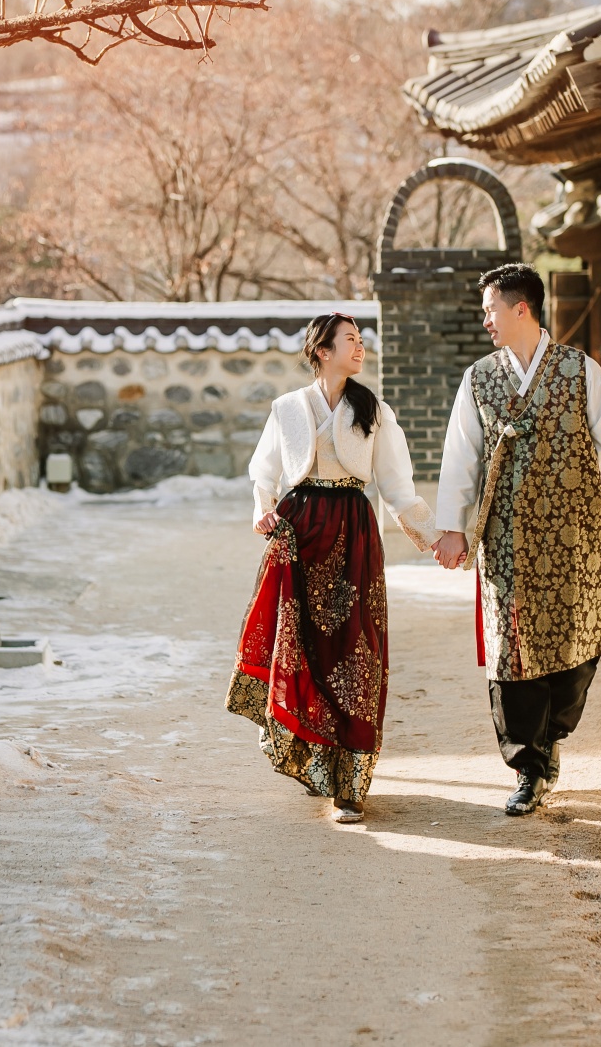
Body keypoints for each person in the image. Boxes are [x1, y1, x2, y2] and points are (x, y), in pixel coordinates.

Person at [433, 264, 601, 816]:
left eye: (492, 309)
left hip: (573, 535)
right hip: (506, 537)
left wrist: (570, 488)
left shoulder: (579, 370)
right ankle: (528, 767)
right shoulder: (479, 379)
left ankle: (552, 738)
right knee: (511, 650)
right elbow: (460, 458)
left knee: (573, 642)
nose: (486, 320)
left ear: (522, 308)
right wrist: (453, 527)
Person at [228, 312, 437, 823]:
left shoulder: (374, 409)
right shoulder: (287, 408)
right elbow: (265, 472)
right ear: (321, 350)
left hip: (353, 535)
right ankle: (316, 760)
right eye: (350, 340)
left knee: (355, 652)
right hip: (299, 535)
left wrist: (434, 536)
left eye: (361, 340)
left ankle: (352, 785)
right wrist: (265, 511)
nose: (360, 348)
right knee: (302, 647)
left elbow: (397, 485)